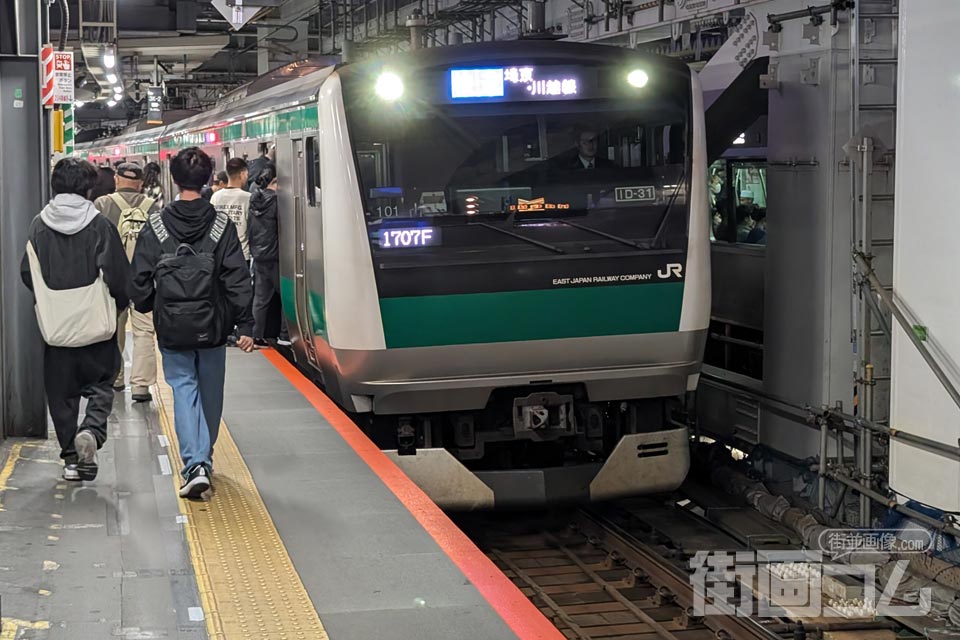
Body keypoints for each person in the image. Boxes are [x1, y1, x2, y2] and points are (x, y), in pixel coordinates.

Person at [131, 147, 254, 499]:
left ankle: (195, 463)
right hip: (213, 324)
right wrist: (244, 324)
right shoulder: (221, 225)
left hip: (172, 326)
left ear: (173, 178)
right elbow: (236, 277)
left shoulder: (156, 225)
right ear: (207, 179)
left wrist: (152, 304)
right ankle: (204, 458)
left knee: (183, 388)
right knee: (211, 392)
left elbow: (139, 279)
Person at [20, 158, 130, 482]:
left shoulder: (38, 226)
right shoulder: (100, 225)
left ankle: (71, 460)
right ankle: (91, 431)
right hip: (96, 327)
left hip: (57, 329)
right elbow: (118, 275)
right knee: (102, 383)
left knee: (61, 395)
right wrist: (120, 304)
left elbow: (27, 272)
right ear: (88, 188)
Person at [93, 161, 160, 401]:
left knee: (113, 329)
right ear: (140, 184)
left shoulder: (102, 204)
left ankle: (116, 378)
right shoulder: (153, 206)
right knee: (144, 332)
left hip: (113, 279)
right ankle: (141, 386)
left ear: (116, 180)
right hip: (144, 279)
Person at [248, 163, 288, 345]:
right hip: (276, 255)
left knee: (260, 298)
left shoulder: (255, 199)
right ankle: (285, 335)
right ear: (276, 181)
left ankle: (256, 335)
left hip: (259, 255)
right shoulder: (278, 201)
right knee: (286, 296)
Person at [210, 158, 251, 261]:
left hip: (219, 253)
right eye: (246, 174)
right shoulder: (248, 198)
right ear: (242, 174)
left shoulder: (215, 197)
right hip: (242, 255)